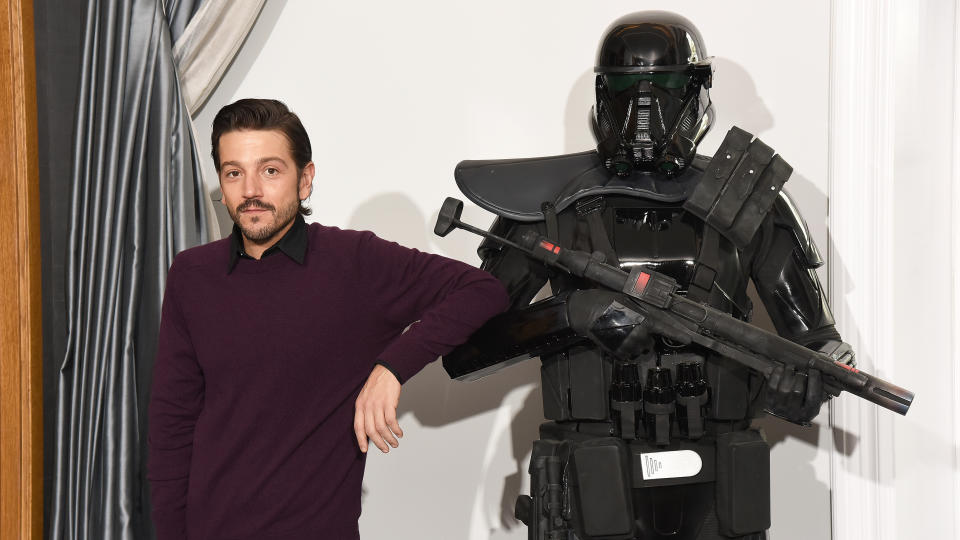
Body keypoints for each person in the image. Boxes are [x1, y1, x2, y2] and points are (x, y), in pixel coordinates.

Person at [441, 11, 854, 540]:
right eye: (624, 89)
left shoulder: (750, 202)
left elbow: (818, 344)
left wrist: (800, 389)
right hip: (589, 483)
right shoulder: (550, 204)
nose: (643, 112)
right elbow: (466, 350)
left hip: (720, 487)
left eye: (664, 88)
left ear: (697, 90)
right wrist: (573, 313)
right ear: (601, 92)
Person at [147, 98, 509, 540]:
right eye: (234, 172)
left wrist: (391, 367)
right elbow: (172, 425)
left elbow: (483, 291)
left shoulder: (354, 262)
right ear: (222, 185)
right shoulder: (192, 274)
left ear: (305, 180)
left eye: (271, 170)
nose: (251, 190)